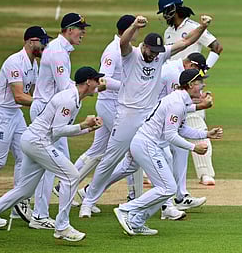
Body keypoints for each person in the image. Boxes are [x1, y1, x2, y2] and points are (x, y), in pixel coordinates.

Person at [79, 14, 213, 218]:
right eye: (152, 51)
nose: (154, 55)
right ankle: (88, 200)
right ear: (143, 46)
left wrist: (202, 26)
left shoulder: (160, 55)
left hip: (148, 117)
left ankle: (167, 206)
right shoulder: (130, 54)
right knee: (111, 161)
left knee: (165, 156)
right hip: (126, 115)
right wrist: (134, 26)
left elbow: (186, 41)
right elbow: (123, 42)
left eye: (158, 52)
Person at [113, 69, 223, 236]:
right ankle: (125, 210)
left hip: (149, 145)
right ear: (191, 84)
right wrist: (194, 148)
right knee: (168, 187)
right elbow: (170, 135)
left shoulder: (181, 101)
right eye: (200, 82)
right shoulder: (177, 104)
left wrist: (206, 134)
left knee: (166, 188)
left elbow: (183, 129)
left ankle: (136, 222)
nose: (203, 85)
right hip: (147, 145)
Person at [0, 67, 103, 241]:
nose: (98, 84)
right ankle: (62, 227)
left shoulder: (75, 99)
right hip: (38, 142)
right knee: (71, 176)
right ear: (88, 82)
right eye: (96, 80)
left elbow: (59, 131)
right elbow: (58, 130)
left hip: (33, 140)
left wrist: (87, 128)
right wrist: (83, 125)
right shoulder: (69, 99)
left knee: (24, 190)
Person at [53, 15, 136, 214]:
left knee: (98, 151)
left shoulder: (127, 50)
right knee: (130, 147)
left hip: (115, 105)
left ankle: (65, 187)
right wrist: (128, 86)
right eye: (134, 30)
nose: (136, 34)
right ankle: (131, 196)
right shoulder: (112, 50)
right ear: (127, 30)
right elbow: (104, 79)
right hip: (110, 106)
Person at [17, 13, 90, 230]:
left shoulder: (61, 50)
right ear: (69, 29)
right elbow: (63, 87)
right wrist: (87, 87)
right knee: (54, 165)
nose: (83, 33)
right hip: (46, 112)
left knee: (54, 163)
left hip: (48, 110)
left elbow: (64, 83)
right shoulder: (58, 52)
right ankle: (39, 214)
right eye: (80, 29)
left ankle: (23, 200)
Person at [158, 0, 223, 185]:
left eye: (166, 11)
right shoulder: (168, 33)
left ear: (174, 9)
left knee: (196, 123)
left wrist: (203, 71)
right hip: (171, 83)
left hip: (192, 83)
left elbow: (217, 47)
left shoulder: (194, 27)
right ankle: (158, 170)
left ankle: (205, 173)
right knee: (167, 125)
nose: (164, 16)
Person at [0, 26, 51, 228]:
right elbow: (19, 96)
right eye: (43, 42)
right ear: (31, 42)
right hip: (2, 114)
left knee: (24, 157)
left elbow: (36, 93)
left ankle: (17, 203)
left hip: (16, 114)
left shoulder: (34, 64)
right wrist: (46, 104)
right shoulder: (14, 62)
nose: (45, 46)